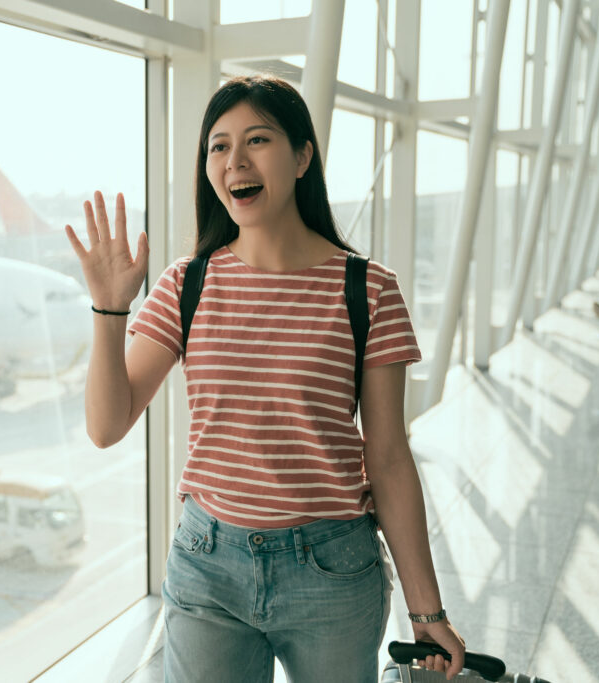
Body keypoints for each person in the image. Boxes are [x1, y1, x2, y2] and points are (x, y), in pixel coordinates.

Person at [65, 75, 465, 682]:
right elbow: (105, 425)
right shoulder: (186, 284)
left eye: (257, 140)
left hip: (333, 571)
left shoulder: (368, 289)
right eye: (218, 147)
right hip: (208, 565)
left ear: (303, 155)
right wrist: (110, 309)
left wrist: (426, 609)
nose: (235, 161)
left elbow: (387, 458)